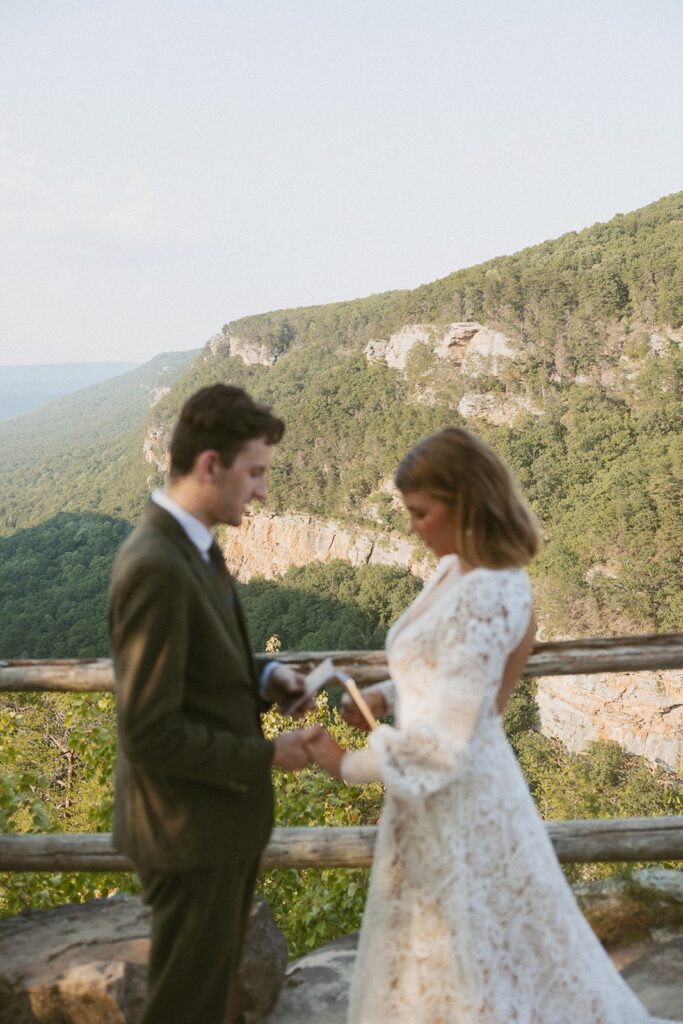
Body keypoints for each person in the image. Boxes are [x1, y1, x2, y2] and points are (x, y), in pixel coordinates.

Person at [304, 427, 673, 1024]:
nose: (413, 527)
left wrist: (344, 763)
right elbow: (448, 668)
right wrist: (385, 692)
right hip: (431, 803)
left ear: (465, 501)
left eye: (422, 513)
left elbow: (450, 739)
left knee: (474, 960)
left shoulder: (491, 592)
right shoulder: (454, 571)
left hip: (462, 798)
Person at [108, 384, 320, 1024]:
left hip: (215, 827)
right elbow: (149, 731)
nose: (261, 490)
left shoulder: (193, 545)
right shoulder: (155, 565)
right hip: (187, 831)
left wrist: (268, 678)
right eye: (254, 472)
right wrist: (266, 754)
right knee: (184, 1009)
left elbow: (202, 662)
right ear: (210, 466)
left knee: (209, 1002)